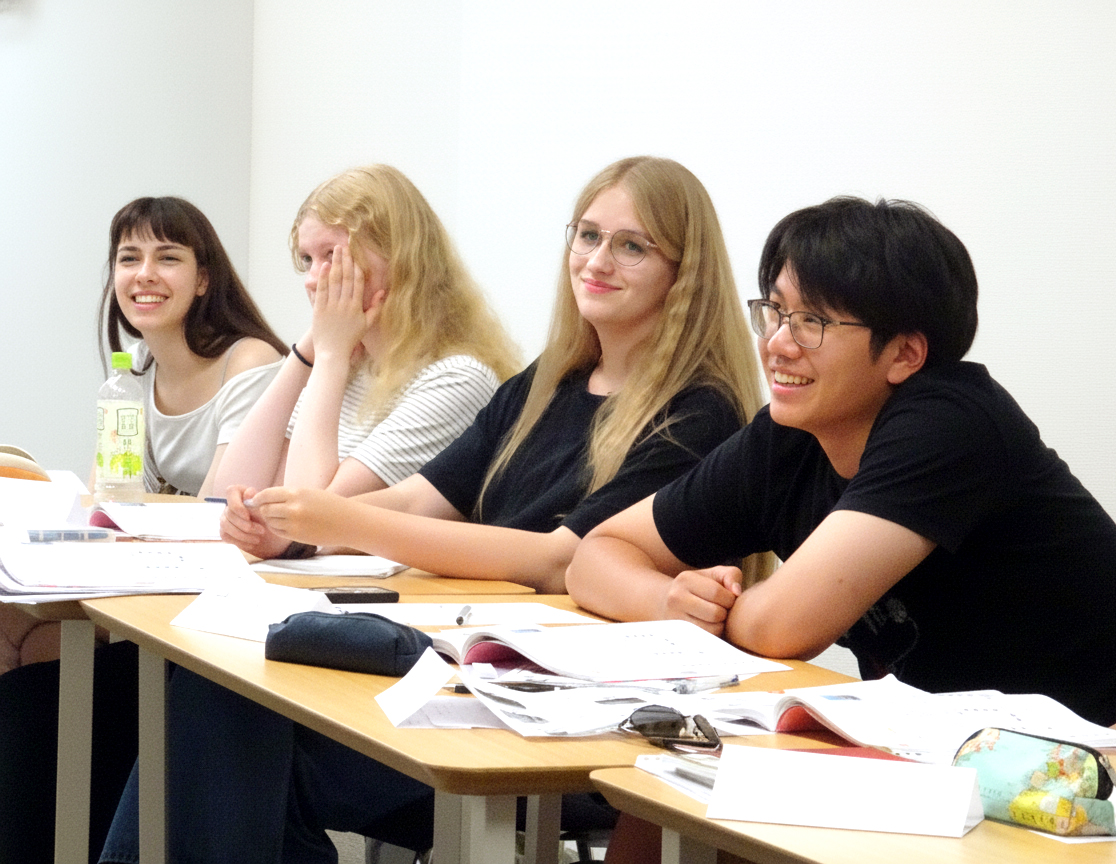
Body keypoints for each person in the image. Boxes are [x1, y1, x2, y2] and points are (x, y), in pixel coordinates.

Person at [99, 155, 765, 863]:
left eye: (632, 245)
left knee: (225, 731)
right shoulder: (547, 383)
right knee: (219, 706)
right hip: (471, 669)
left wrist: (337, 520)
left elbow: (557, 560)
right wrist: (296, 532)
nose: (598, 260)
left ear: (682, 272)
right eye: (588, 235)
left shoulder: (697, 412)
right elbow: (423, 499)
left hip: (564, 714)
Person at [568, 195, 1116, 727]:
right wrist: (671, 604)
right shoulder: (790, 433)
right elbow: (595, 557)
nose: (777, 343)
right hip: (940, 758)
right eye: (776, 312)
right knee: (668, 784)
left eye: (812, 322)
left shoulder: (952, 422)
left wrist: (723, 613)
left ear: (905, 354)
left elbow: (784, 629)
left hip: (1096, 781)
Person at [0, 195, 287, 864]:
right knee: (14, 632)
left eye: (168, 257)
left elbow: (220, 505)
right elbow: (107, 499)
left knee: (40, 664)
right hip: (153, 581)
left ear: (205, 277)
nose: (144, 274)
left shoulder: (249, 363)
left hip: (215, 602)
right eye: (129, 258)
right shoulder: (134, 379)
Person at [210, 164, 521, 560]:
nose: (312, 278)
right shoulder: (346, 362)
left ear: (401, 260)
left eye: (332, 257)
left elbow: (312, 517)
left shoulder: (457, 378)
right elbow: (230, 491)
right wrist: (307, 352)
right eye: (307, 259)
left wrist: (328, 355)